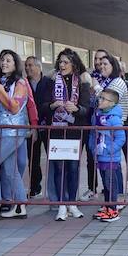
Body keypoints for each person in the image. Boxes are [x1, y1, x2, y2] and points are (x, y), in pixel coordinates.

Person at [0, 50, 38, 219]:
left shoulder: (20, 83)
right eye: (2, 60)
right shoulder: (1, 81)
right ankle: (19, 207)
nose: (4, 63)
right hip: (5, 131)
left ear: (15, 64)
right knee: (11, 170)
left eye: (8, 60)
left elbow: (14, 107)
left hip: (13, 132)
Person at [43, 49, 90, 221]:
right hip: (56, 130)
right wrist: (52, 106)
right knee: (59, 167)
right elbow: (43, 106)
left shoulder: (83, 82)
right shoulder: (50, 81)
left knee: (72, 167)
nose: (62, 65)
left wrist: (77, 109)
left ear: (74, 64)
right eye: (60, 62)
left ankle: (72, 203)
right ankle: (62, 205)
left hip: (74, 131)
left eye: (66, 62)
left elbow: (86, 109)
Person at [85, 54, 128, 200]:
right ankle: (109, 201)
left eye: (105, 64)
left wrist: (96, 87)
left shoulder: (117, 82)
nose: (101, 66)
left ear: (113, 66)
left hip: (113, 131)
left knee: (113, 171)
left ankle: (116, 201)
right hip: (101, 132)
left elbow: (108, 98)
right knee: (105, 173)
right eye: (99, 63)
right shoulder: (104, 81)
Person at [88, 88, 127, 222]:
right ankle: (107, 207)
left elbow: (121, 138)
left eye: (104, 99)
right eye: (100, 97)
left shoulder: (114, 119)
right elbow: (94, 134)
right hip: (100, 155)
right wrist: (93, 148)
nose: (100, 100)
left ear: (112, 103)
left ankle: (113, 210)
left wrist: (110, 149)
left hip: (110, 157)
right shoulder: (98, 115)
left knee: (111, 183)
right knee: (105, 183)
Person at [24, 55, 49, 198]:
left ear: (39, 67)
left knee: (52, 157)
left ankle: (54, 188)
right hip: (30, 126)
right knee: (33, 157)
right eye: (26, 65)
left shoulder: (48, 82)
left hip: (46, 126)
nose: (27, 68)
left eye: (30, 65)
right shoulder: (23, 83)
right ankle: (34, 186)